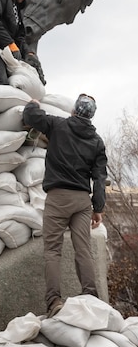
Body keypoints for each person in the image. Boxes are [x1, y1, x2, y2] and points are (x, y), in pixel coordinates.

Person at [22, 94, 107, 318]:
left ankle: (54, 302)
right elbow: (99, 178)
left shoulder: (57, 125)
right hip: (82, 202)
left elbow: (30, 115)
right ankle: (91, 296)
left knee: (52, 251)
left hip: (58, 198)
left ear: (73, 110)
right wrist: (98, 208)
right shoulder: (97, 141)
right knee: (83, 250)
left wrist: (34, 104)